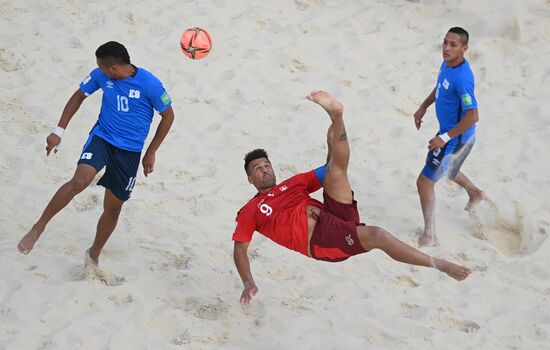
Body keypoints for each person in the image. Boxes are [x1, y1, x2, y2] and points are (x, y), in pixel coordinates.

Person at [233, 90, 471, 304]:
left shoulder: (292, 183)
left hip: (334, 216)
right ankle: (442, 265)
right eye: (257, 169)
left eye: (267, 165)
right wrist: (248, 282)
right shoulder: (250, 210)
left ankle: (337, 116)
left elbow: (329, 168)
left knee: (335, 171)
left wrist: (330, 145)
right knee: (376, 234)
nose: (265, 170)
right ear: (249, 179)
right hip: (320, 240)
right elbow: (240, 249)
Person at [17, 41, 175, 265]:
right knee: (79, 182)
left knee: (113, 208)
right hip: (102, 138)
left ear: (113, 68)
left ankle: (94, 254)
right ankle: (38, 227)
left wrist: (151, 152)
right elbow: (78, 95)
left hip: (130, 151)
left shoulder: (150, 84)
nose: (98, 70)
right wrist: (58, 131)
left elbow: (168, 116)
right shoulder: (102, 76)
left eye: (101, 66)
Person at [413, 27, 485, 247]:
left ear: (464, 48)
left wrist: (444, 138)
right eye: (445, 42)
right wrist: (423, 107)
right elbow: (440, 87)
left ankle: (430, 236)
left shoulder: (463, 79)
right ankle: (475, 193)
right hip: (448, 132)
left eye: (453, 45)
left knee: (424, 182)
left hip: (457, 137)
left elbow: (473, 116)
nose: (446, 48)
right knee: (442, 166)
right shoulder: (448, 63)